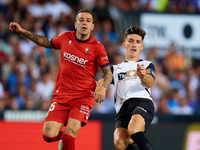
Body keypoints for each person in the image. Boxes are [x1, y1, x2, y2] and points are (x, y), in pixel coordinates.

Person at [9, 9, 112, 150]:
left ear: (92, 26)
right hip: (62, 95)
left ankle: (67, 138)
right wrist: (22, 31)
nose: (84, 23)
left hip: (83, 97)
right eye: (81, 20)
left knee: (70, 136)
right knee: (48, 135)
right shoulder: (65, 37)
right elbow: (46, 42)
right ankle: (63, 136)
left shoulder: (98, 47)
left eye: (88, 21)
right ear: (75, 24)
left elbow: (108, 73)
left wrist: (103, 87)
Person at [96, 26, 155, 150]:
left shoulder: (147, 64)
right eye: (131, 41)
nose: (134, 44)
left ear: (142, 47)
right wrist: (101, 88)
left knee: (134, 130)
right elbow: (102, 82)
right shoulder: (115, 69)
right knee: (120, 143)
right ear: (124, 44)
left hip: (142, 102)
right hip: (122, 108)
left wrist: (144, 76)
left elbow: (149, 82)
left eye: (138, 42)